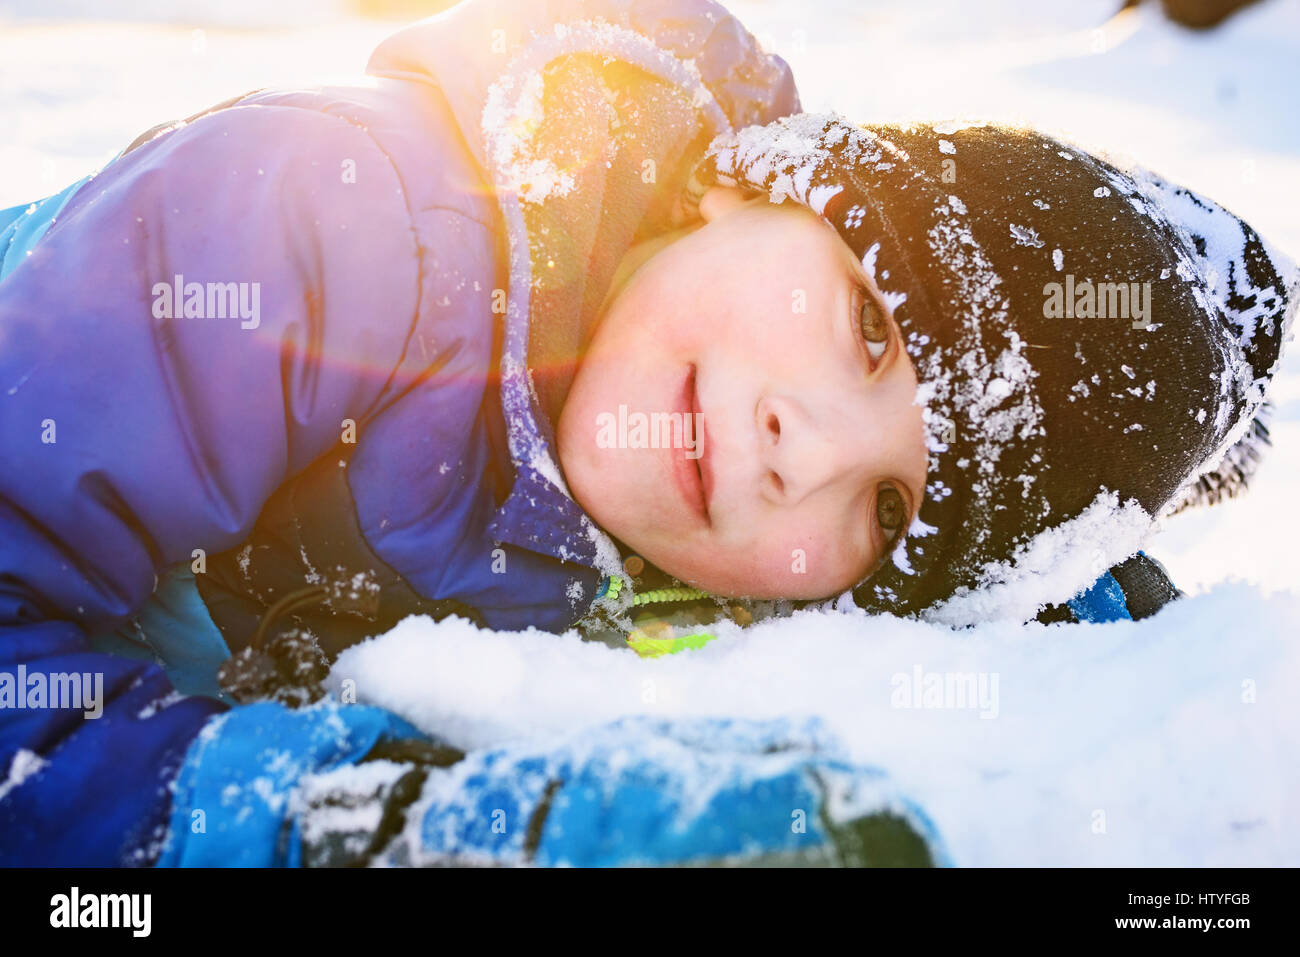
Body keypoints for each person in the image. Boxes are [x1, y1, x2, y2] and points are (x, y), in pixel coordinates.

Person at [0, 0, 1293, 865]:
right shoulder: (322, 223)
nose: (809, 451)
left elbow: (1022, 604)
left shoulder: (726, 532)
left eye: (893, 507)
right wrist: (352, 825)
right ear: (753, 184)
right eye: (869, 328)